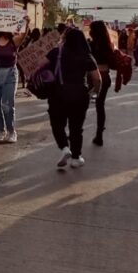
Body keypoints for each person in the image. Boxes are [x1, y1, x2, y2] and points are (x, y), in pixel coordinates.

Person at [47, 28, 101, 169]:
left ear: (65, 39)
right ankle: (76, 158)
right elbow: (97, 78)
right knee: (76, 128)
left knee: (57, 124)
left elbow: (40, 66)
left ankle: (65, 148)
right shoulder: (86, 55)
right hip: (80, 95)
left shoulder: (56, 53)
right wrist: (94, 92)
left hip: (58, 94)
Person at [0, 15, 30, 142]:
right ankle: (0, 130)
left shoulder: (14, 41)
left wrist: (26, 23)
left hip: (10, 74)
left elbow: (23, 35)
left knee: (7, 105)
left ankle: (11, 131)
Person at [88, 21, 114, 147]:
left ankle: (75, 132)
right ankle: (99, 135)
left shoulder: (91, 45)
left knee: (81, 105)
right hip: (105, 77)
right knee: (100, 106)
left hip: (92, 78)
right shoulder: (109, 45)